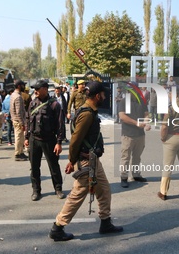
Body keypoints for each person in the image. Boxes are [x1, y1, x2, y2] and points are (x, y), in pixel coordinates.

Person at [48, 81, 123, 241]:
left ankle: (105, 222)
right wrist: (71, 160)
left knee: (103, 189)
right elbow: (75, 139)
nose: (104, 97)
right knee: (78, 194)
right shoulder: (87, 114)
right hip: (86, 161)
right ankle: (58, 227)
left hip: (92, 160)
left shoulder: (89, 110)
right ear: (97, 96)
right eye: (103, 95)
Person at [25, 80, 65, 201]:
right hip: (34, 139)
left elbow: (60, 125)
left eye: (38, 88)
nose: (35, 91)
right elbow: (28, 121)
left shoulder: (54, 105)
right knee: (34, 167)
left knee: (53, 166)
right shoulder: (32, 104)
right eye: (34, 89)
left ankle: (58, 188)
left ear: (45, 89)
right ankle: (36, 190)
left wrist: (59, 142)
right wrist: (26, 138)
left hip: (49, 140)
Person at [118, 81, 149, 188]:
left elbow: (146, 114)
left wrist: (146, 122)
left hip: (140, 134)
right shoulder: (124, 101)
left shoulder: (142, 101)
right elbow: (122, 116)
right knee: (125, 157)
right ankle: (123, 177)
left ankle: (136, 175)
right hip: (128, 134)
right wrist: (136, 123)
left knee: (137, 157)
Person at [10, 80, 28, 161]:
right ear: (19, 86)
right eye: (23, 85)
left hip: (15, 120)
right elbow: (18, 112)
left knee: (20, 138)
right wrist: (22, 123)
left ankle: (21, 152)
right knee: (19, 137)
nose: (24, 87)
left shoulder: (13, 95)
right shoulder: (18, 97)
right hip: (18, 121)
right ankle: (18, 154)